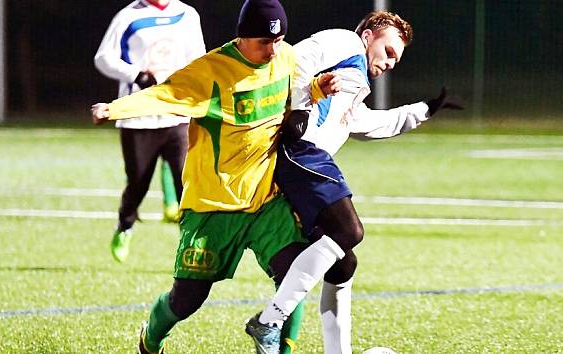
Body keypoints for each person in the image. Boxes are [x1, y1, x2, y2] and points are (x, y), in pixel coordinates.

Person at [91, 1, 339, 352]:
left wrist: (316, 88)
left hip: (264, 200)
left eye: (279, 40)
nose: (273, 50)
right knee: (187, 299)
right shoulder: (211, 72)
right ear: (242, 37)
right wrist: (114, 109)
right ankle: (151, 339)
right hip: (213, 209)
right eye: (264, 42)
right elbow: (165, 95)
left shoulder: (285, 58)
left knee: (294, 276)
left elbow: (293, 93)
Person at [247, 11, 463, 354]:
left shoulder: (354, 87)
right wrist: (301, 108)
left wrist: (425, 109)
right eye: (389, 51)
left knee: (344, 262)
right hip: (298, 152)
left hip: (311, 161)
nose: (391, 62)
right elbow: (297, 58)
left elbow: (372, 124)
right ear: (367, 37)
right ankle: (269, 321)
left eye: (398, 59)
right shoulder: (345, 42)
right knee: (350, 231)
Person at [94, 0, 206, 263]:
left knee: (185, 181)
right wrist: (136, 74)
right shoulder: (128, 16)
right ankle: (125, 226)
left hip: (177, 114)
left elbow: (200, 59)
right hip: (138, 116)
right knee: (138, 183)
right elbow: (103, 58)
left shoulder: (187, 15)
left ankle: (191, 244)